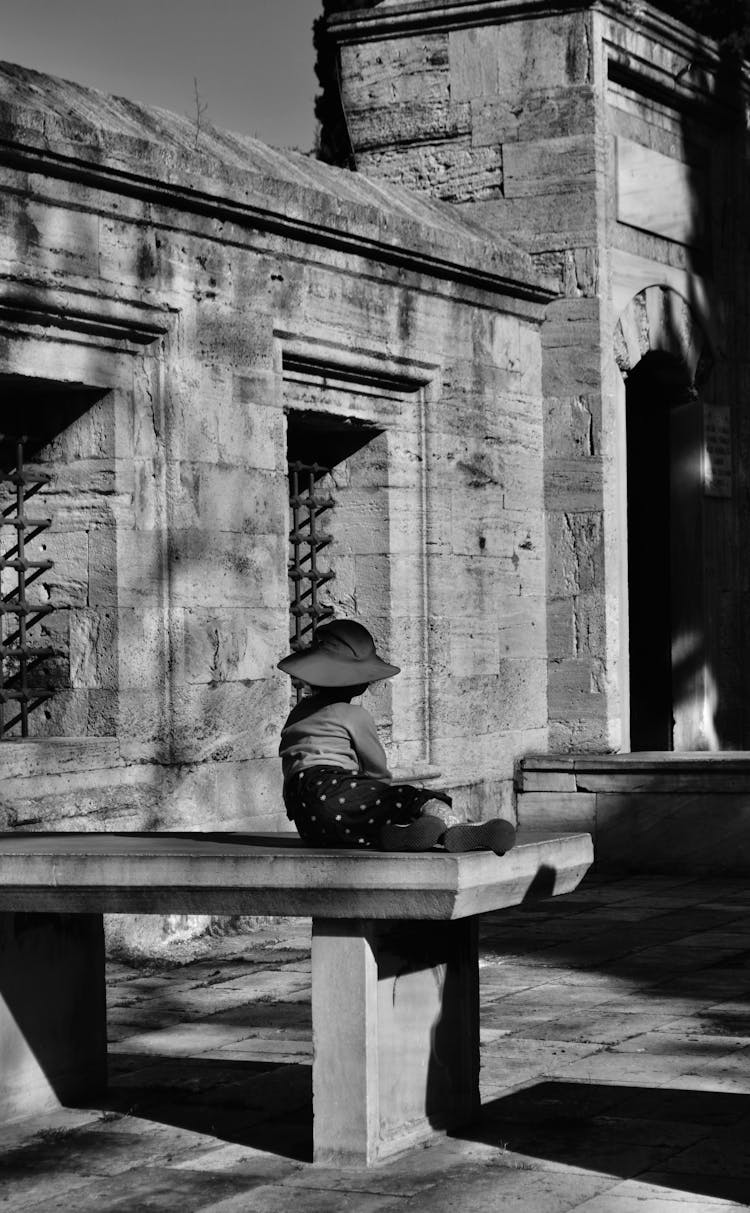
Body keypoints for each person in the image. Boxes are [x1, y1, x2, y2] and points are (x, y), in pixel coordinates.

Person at [278, 618, 516, 854]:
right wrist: (379, 794)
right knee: (410, 798)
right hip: (336, 790)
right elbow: (377, 772)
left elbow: (289, 766)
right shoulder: (353, 715)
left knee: (361, 821)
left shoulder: (298, 713)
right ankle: (454, 829)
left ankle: (394, 835)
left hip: (307, 817)